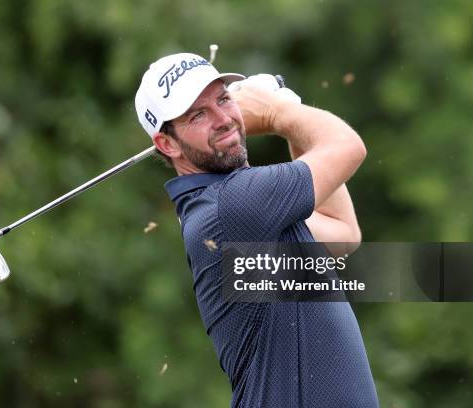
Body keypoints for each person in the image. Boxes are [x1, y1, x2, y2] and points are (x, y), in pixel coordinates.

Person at [135, 52, 379, 407]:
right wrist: (276, 111)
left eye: (223, 99)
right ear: (167, 143)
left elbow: (342, 234)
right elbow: (348, 147)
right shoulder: (232, 206)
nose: (223, 119)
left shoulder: (239, 210)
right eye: (198, 115)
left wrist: (286, 112)